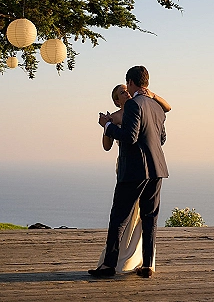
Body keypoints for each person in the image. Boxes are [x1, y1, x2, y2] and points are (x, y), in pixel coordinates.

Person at [89, 66, 169, 279]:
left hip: (135, 170)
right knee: (150, 218)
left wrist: (106, 125)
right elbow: (161, 139)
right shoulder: (157, 106)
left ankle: (108, 266)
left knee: (119, 217)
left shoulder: (134, 104)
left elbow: (130, 136)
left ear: (131, 82)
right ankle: (148, 265)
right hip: (157, 168)